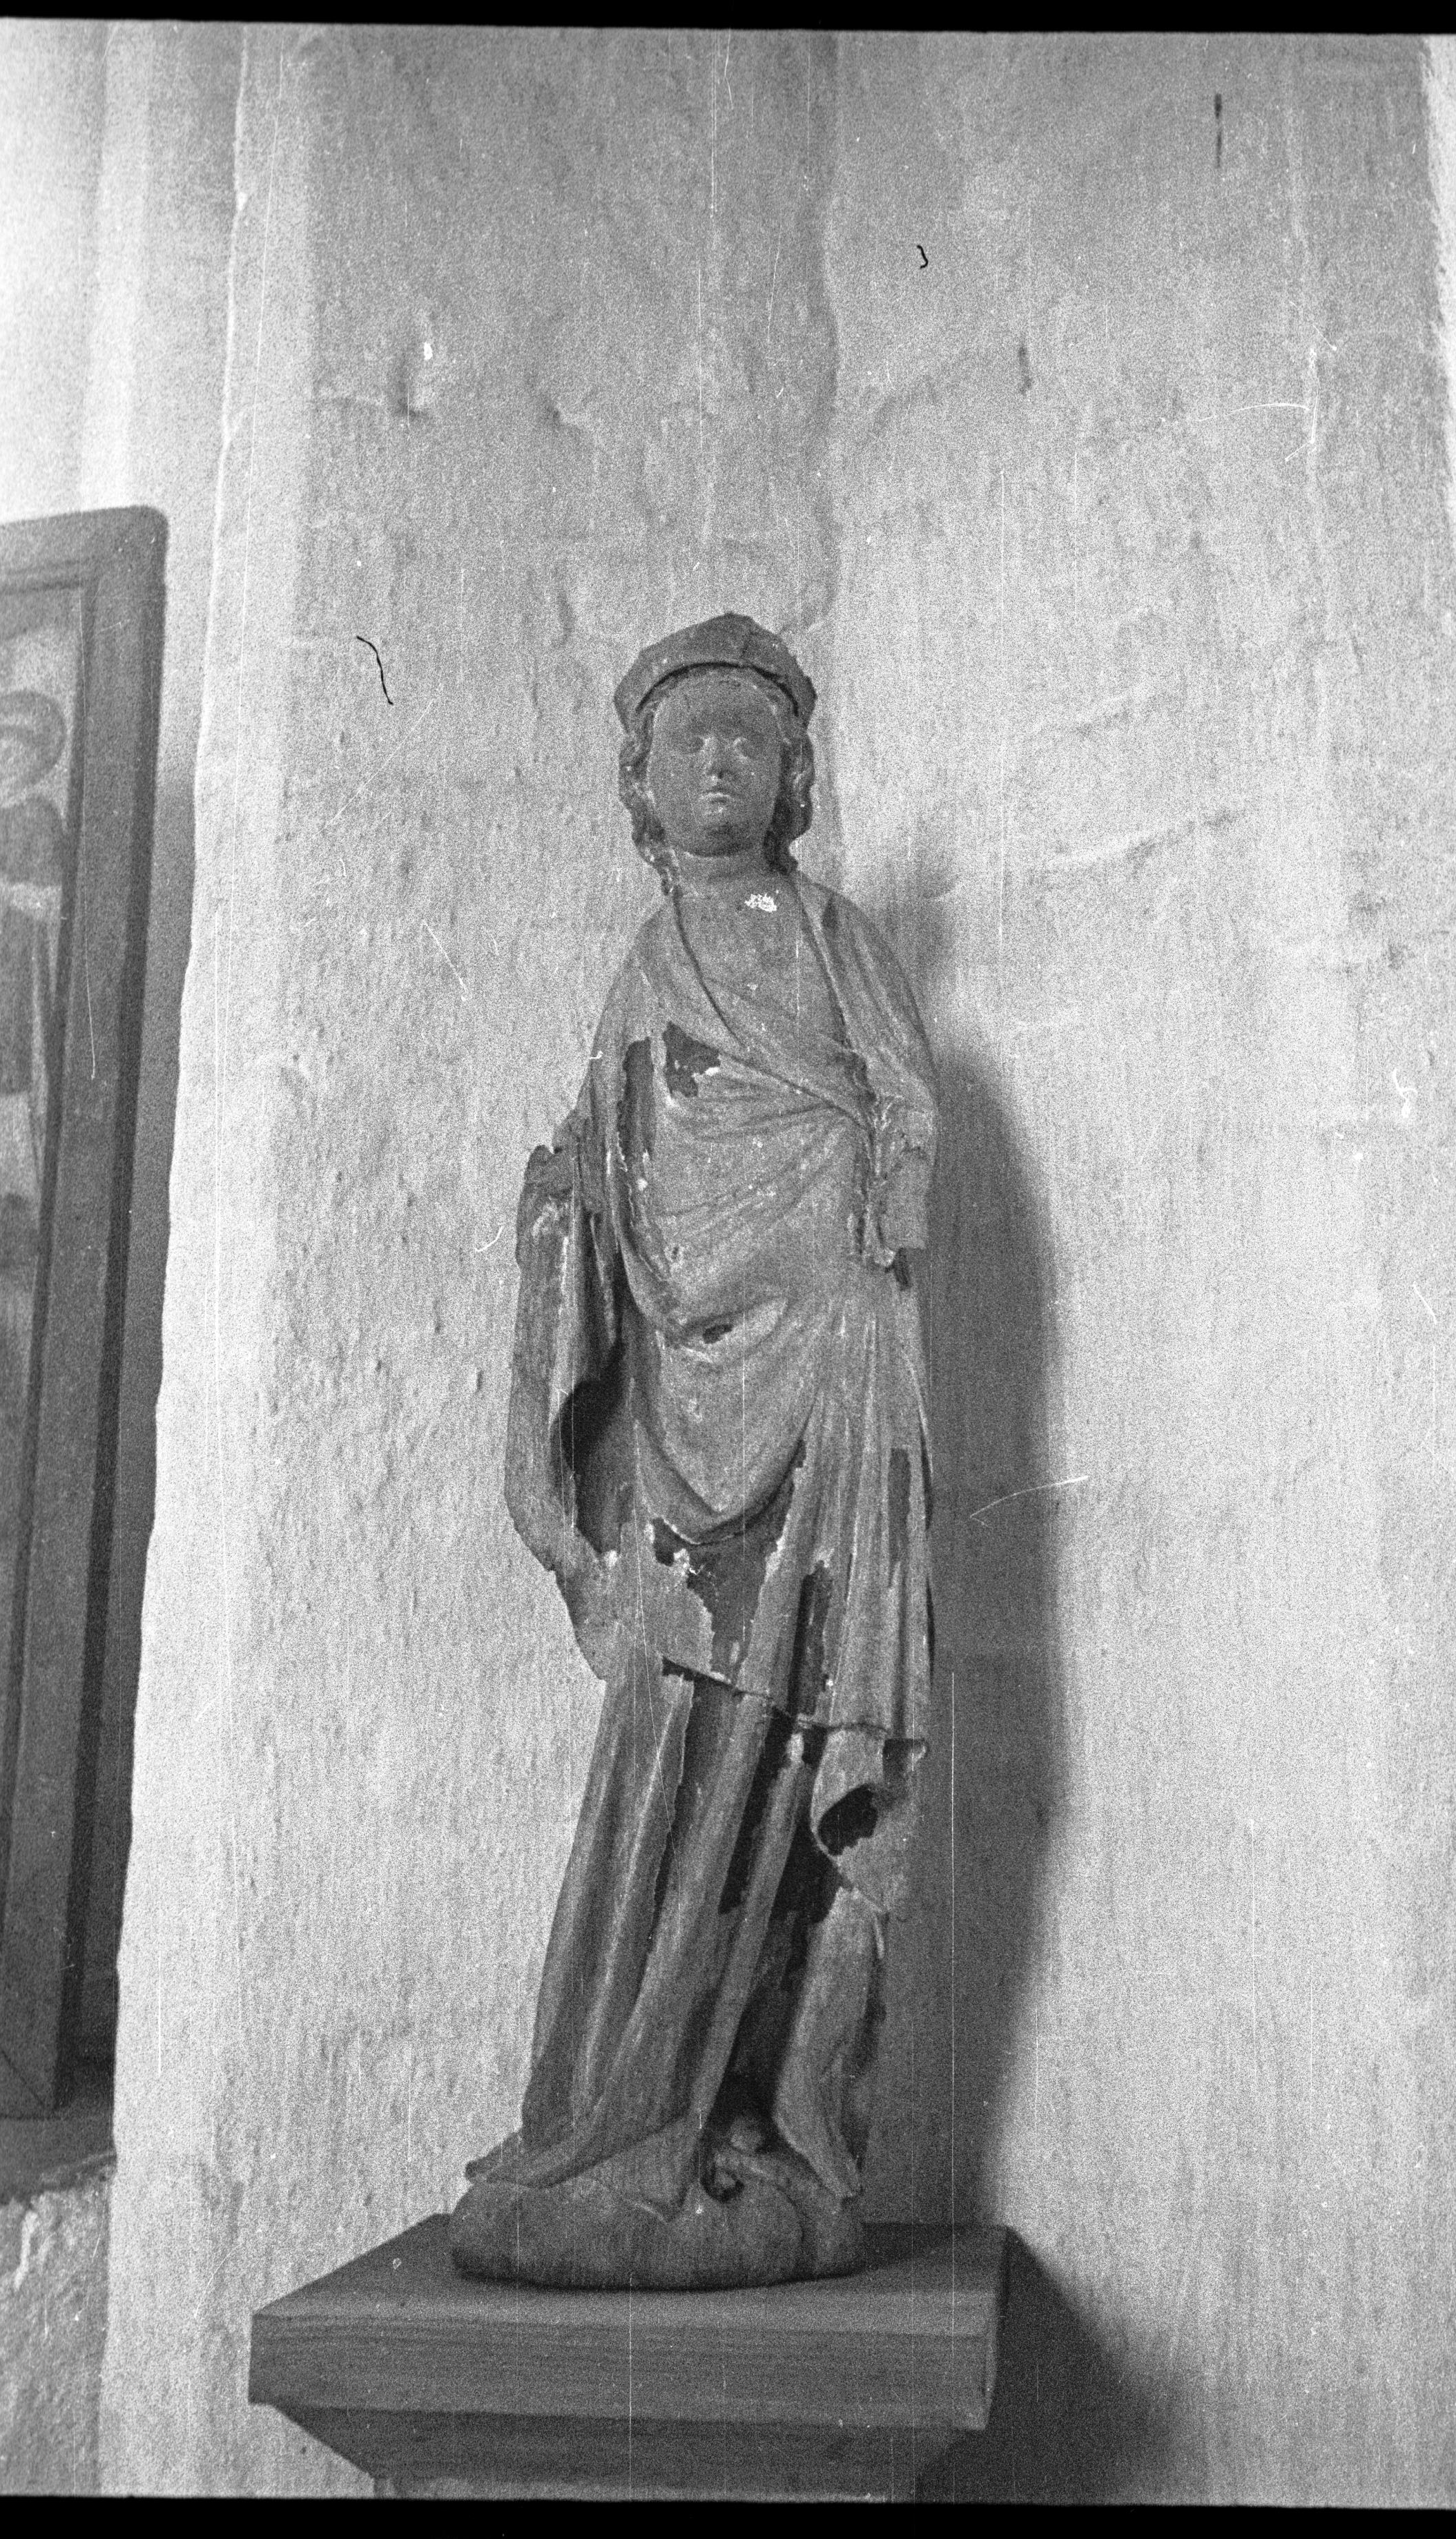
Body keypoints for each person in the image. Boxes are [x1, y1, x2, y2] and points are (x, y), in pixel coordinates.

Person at [452, 615, 938, 2289]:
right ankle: (623, 2109)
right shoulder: (645, 964)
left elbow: (904, 1109)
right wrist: (558, 1209)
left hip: (829, 1403)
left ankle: (763, 2120)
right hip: (680, 1432)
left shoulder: (833, 935)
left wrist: (877, 1205)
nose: (720, 758)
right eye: (689, 737)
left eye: (750, 734)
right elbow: (605, 1161)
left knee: (802, 1748)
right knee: (675, 1741)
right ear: (642, 781)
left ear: (794, 773)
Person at [0, 688, 68, 1216]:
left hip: (19, 965)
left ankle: (9, 1193)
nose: (5, 762)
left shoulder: (38, 817)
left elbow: (56, 902)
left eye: (17, 754)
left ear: (34, 764)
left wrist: (4, 887)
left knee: (10, 1063)